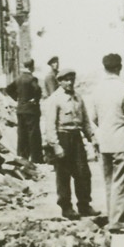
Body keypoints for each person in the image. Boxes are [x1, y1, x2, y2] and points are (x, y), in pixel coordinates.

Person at [90, 53, 124, 230]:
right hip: (122, 142)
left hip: (104, 143)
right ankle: (119, 221)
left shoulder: (96, 90)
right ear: (119, 68)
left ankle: (113, 217)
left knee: (110, 182)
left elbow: (93, 117)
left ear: (104, 68)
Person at [42, 66, 96, 219]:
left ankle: (84, 205)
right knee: (63, 175)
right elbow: (50, 125)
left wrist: (92, 138)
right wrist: (56, 145)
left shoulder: (78, 98)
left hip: (76, 137)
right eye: (66, 80)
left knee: (83, 173)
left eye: (72, 79)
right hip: (62, 137)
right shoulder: (55, 99)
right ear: (59, 82)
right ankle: (66, 207)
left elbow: (85, 121)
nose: (70, 82)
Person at [6, 58, 43, 163]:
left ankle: (22, 157)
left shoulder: (18, 79)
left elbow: (8, 89)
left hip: (20, 110)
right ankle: (36, 158)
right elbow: (38, 90)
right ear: (32, 67)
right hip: (31, 110)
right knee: (33, 134)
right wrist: (34, 100)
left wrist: (17, 99)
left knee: (22, 134)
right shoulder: (32, 79)